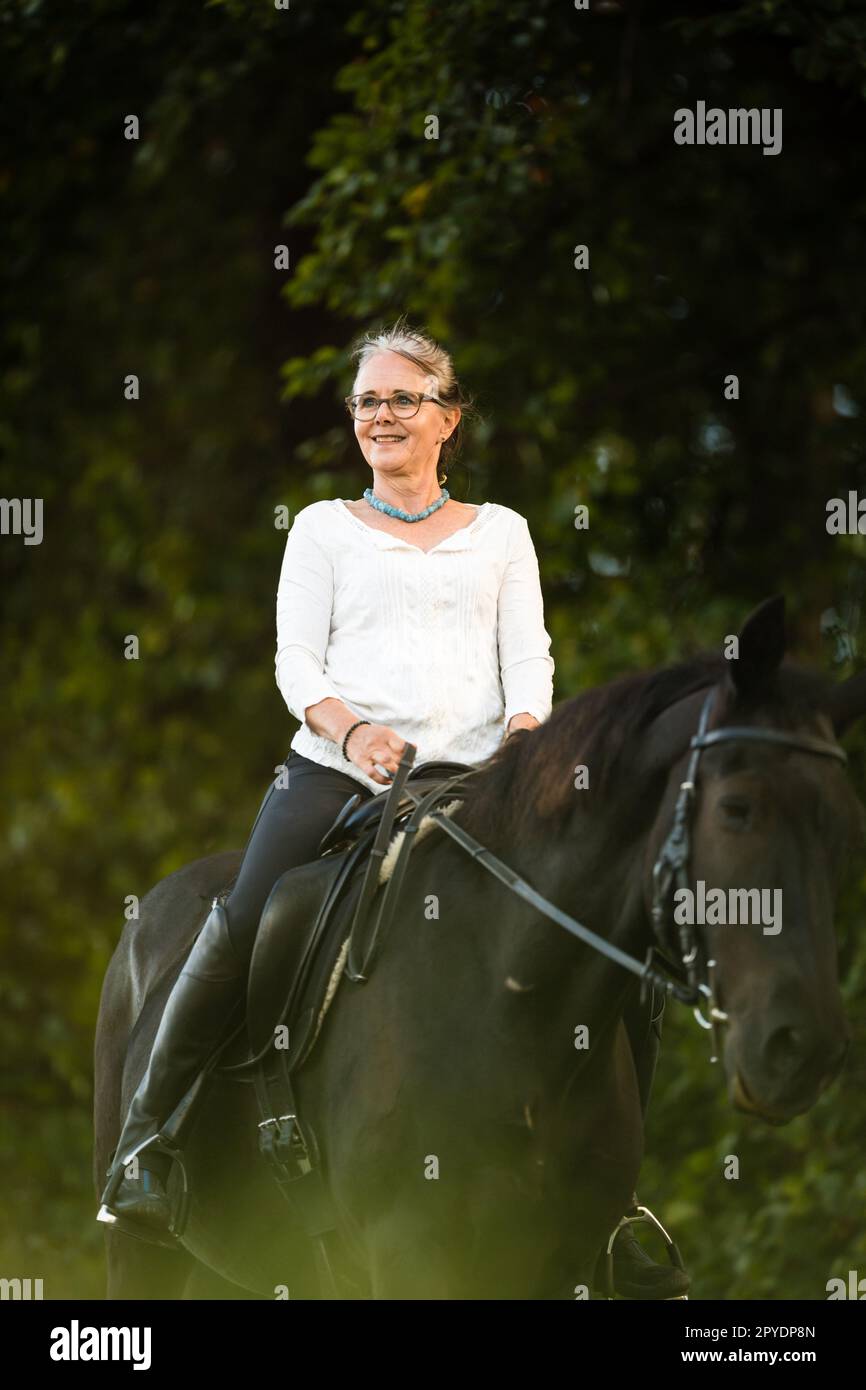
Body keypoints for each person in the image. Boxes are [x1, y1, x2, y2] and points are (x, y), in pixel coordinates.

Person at [97, 317, 687, 1298]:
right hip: (335, 769)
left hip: (481, 779)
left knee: (612, 945)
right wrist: (350, 729)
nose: (380, 413)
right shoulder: (323, 529)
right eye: (367, 399)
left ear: (445, 418)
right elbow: (295, 660)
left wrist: (528, 739)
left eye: (401, 398)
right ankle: (147, 1147)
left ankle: (614, 1204)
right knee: (244, 915)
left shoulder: (502, 535)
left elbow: (527, 659)